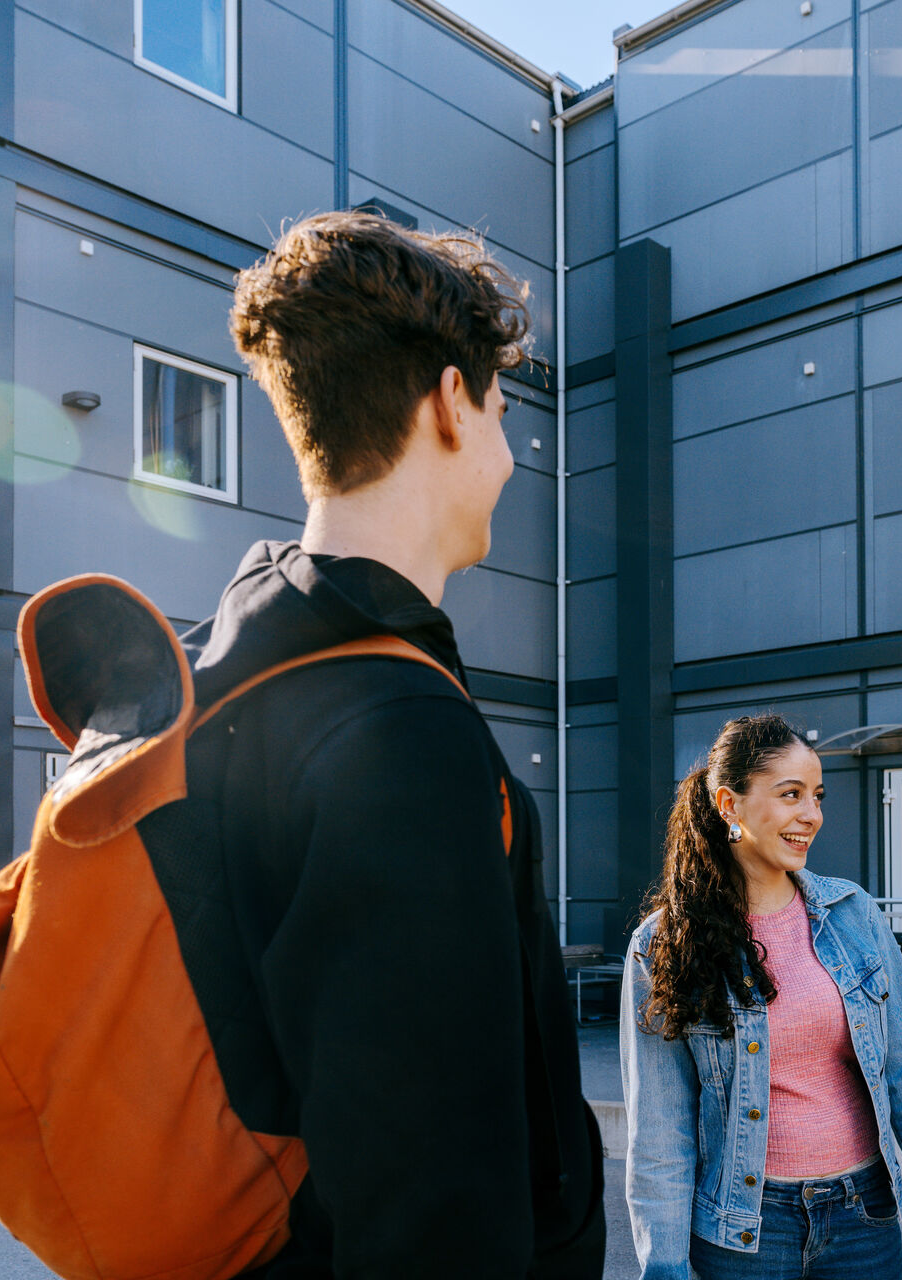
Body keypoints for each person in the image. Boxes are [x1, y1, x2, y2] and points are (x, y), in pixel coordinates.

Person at [154, 210, 603, 1277]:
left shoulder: (229, 670)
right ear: (452, 402)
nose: (508, 456)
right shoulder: (399, 735)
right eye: (503, 413)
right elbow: (428, 1203)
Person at [621, 714, 902, 1280]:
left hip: (864, 1217)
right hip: (746, 1230)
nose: (811, 815)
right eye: (790, 795)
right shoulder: (663, 943)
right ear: (730, 805)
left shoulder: (852, 915)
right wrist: (665, 1268)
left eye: (817, 796)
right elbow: (660, 1131)